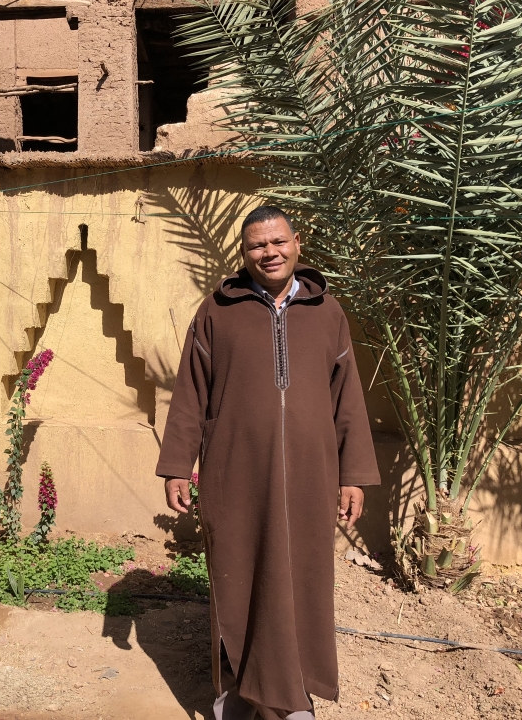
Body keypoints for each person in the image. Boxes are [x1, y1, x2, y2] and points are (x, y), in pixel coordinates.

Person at [157, 206, 380, 720]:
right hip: (234, 474)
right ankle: (239, 691)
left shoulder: (328, 312)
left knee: (301, 579)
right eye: (258, 245)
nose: (269, 252)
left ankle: (291, 693)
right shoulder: (217, 311)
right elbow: (191, 391)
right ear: (244, 252)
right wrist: (176, 465)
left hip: (310, 475)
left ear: (297, 243)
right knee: (238, 574)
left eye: (278, 242)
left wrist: (353, 476)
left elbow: (347, 399)